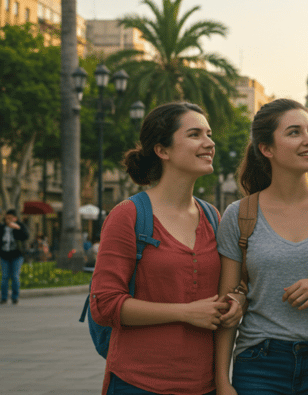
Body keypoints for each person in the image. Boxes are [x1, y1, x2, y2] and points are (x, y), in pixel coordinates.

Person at [90, 102, 243, 395]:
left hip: (204, 385)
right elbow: (104, 304)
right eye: (195, 134)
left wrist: (237, 301)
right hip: (138, 383)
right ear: (163, 150)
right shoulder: (129, 215)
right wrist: (184, 312)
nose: (209, 143)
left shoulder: (213, 216)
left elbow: (226, 287)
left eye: (209, 134)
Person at [214, 98, 308, 395]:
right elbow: (226, 304)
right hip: (259, 363)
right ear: (266, 149)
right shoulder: (240, 215)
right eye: (294, 132)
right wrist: (221, 379)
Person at [1, 209, 29, 304]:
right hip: (4, 255)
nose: (8, 220)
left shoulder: (20, 226)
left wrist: (17, 228)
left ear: (15, 218)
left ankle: (15, 297)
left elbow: (25, 236)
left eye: (10, 218)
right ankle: (4, 297)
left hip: (17, 255)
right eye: (6, 218)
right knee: (4, 277)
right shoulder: (2, 227)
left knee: (15, 276)